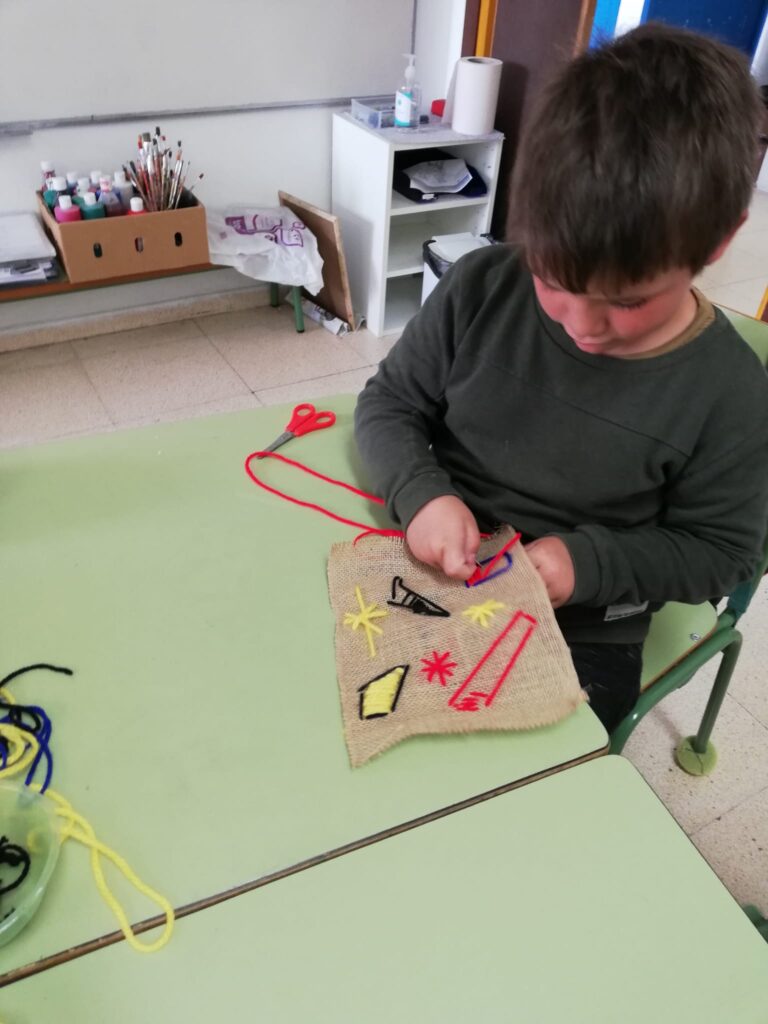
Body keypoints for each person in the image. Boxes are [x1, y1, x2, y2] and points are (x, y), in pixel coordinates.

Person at [353, 23, 768, 731]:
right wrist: (422, 496)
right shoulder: (482, 286)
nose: (583, 325)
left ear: (722, 238)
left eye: (628, 301)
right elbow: (388, 404)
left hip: (587, 621)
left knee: (514, 779)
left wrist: (588, 563)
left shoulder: (730, 394)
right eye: (552, 282)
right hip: (432, 557)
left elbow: (721, 556)